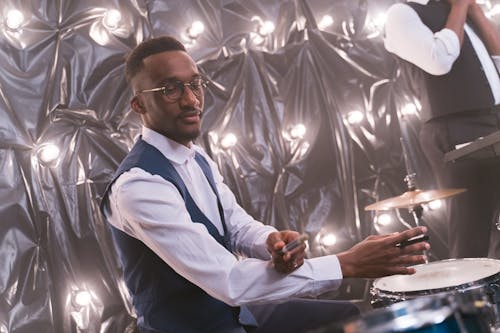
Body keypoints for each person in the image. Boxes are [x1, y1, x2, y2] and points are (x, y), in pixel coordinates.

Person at [100, 35, 430, 333]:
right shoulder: (138, 186)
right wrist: (347, 264)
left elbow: (236, 224)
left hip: (235, 313)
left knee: (350, 316)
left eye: (195, 84)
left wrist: (269, 241)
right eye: (170, 89)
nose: (191, 100)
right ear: (139, 105)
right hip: (193, 327)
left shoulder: (196, 157)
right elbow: (230, 281)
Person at [384, 0, 500, 259]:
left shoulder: (464, 11)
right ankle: (472, 299)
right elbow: (438, 60)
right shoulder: (402, 13)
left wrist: (475, 12)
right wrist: (460, 7)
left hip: (494, 120)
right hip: (455, 129)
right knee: (472, 231)